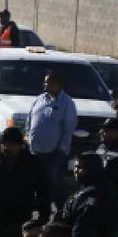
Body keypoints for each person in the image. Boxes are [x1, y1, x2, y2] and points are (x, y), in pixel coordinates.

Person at [25, 71, 78, 208]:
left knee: (53, 183)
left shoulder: (67, 103)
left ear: (56, 84)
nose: (44, 84)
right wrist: (29, 139)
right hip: (35, 152)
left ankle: (59, 212)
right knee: (34, 183)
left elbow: (68, 129)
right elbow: (29, 120)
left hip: (54, 154)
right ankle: (38, 209)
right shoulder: (40, 99)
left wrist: (60, 150)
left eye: (47, 82)